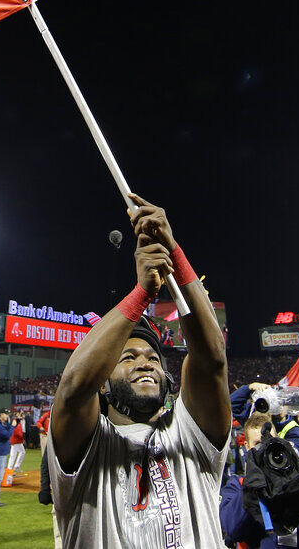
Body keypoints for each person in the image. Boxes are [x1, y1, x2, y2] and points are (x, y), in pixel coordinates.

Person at [49, 194, 231, 547]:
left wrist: (173, 251)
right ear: (102, 384)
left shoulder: (190, 434)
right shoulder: (87, 446)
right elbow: (73, 388)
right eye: (127, 357)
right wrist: (141, 293)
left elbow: (212, 360)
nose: (145, 361)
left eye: (152, 357)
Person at [219, 412, 299, 548]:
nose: (264, 448)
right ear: (247, 446)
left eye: (269, 441)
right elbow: (233, 530)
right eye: (258, 444)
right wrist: (252, 487)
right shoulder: (238, 486)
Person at [7, 412, 26, 476]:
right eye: (20, 415)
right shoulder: (15, 421)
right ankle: (16, 467)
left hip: (15, 440)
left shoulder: (18, 421)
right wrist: (22, 436)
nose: (21, 416)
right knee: (22, 452)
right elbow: (17, 432)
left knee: (13, 455)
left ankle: (10, 469)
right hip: (16, 440)